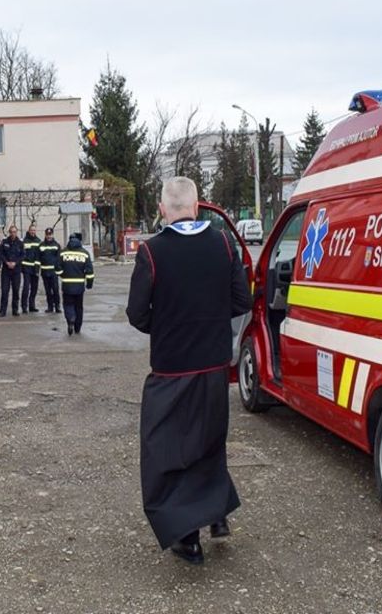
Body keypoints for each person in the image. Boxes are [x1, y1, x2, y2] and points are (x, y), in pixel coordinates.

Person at [125, 177, 251, 566]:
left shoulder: (152, 252)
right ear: (197, 206)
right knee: (208, 440)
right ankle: (216, 514)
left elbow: (136, 313)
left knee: (167, 450)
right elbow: (241, 299)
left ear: (164, 209)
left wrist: (166, 327)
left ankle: (186, 536)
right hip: (213, 364)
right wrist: (209, 323)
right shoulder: (223, 244)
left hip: (171, 368)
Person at [55, 233, 93, 335]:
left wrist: (63, 275)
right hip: (79, 286)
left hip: (67, 285)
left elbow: (57, 268)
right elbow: (89, 271)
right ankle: (77, 327)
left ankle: (70, 319)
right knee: (79, 307)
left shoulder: (63, 253)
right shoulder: (84, 253)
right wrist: (89, 284)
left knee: (68, 304)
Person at [0, 225, 25, 316]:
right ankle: (3, 311)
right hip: (6, 270)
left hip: (16, 270)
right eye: (11, 232)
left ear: (16, 232)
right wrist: (6, 262)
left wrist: (15, 263)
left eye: (14, 232)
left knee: (16, 290)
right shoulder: (4, 242)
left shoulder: (20, 243)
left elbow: (23, 255)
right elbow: (0, 254)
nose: (13, 233)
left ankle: (15, 310)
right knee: (5, 291)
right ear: (9, 232)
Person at [38, 227, 62, 313]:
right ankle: (50, 306)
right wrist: (38, 270)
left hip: (53, 272)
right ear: (45, 235)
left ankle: (57, 306)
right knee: (48, 291)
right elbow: (38, 258)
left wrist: (59, 271)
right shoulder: (41, 245)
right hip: (45, 272)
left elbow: (59, 259)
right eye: (47, 235)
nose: (49, 236)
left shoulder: (56, 245)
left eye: (50, 234)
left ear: (52, 235)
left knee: (55, 290)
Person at [20, 224, 42, 313]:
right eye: (31, 230)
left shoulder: (38, 241)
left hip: (35, 268)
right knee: (26, 287)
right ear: (29, 231)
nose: (33, 232)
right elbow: (21, 255)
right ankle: (24, 306)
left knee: (34, 288)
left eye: (34, 230)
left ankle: (32, 306)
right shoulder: (24, 241)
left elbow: (39, 256)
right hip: (26, 268)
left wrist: (37, 269)